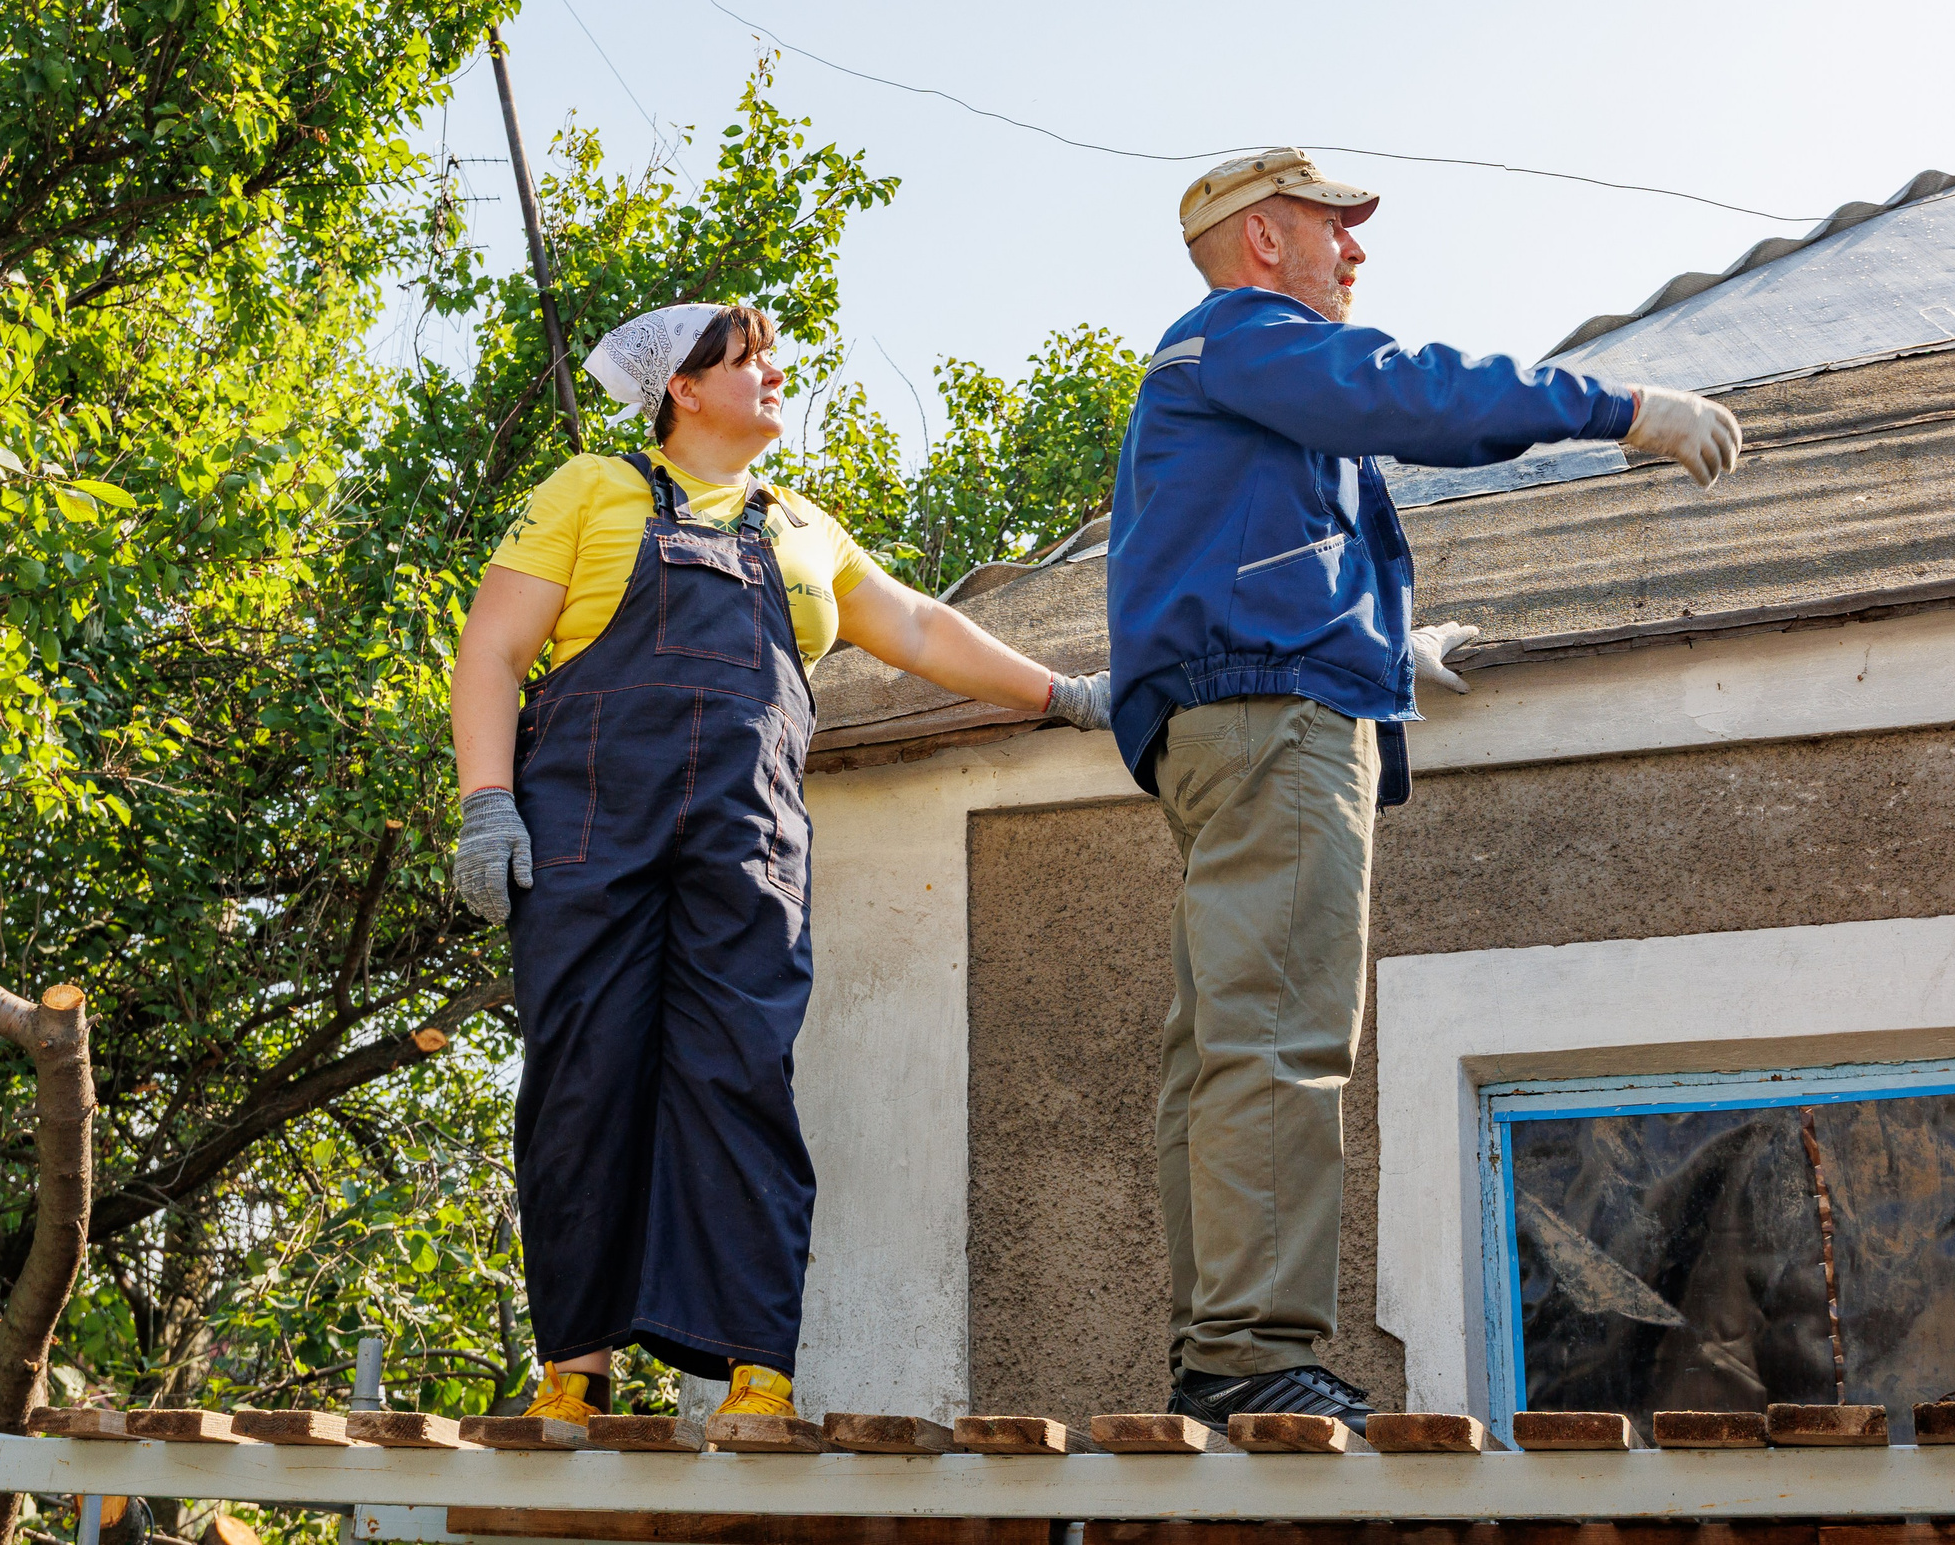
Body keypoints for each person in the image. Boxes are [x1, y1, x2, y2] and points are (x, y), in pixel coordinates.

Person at [1109, 150, 1741, 1429]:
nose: (1355, 252)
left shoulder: (1218, 383)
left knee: (1220, 1046)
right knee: (1281, 1032)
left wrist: (1390, 649)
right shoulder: (1249, 336)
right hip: (1277, 723)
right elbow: (1410, 393)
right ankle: (1248, 1351)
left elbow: (1233, 564)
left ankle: (1216, 1348)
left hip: (1229, 717)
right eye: (1334, 229)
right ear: (1264, 240)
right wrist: (1620, 405)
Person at [451, 303, 1110, 1427]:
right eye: (744, 359)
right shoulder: (585, 492)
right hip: (586, 828)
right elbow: (494, 649)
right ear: (682, 391)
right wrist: (485, 805)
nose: (774, 372)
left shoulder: (805, 527)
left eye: (769, 357)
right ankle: (576, 1362)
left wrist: (1064, 693)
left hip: (743, 842)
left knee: (741, 1077)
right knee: (583, 1075)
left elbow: (922, 630)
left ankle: (756, 1365)